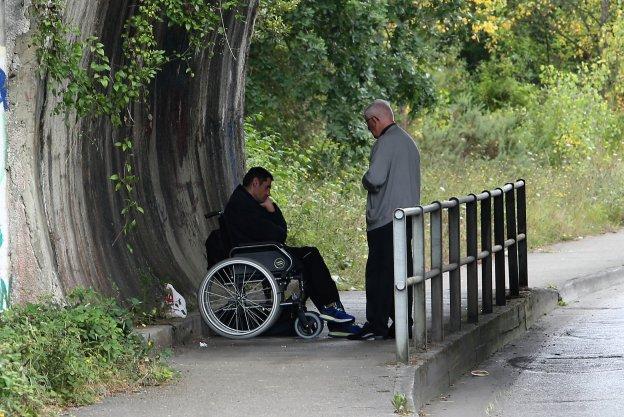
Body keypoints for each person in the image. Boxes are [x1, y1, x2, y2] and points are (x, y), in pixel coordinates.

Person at [223, 166, 361, 338]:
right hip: (260, 256)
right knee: (310, 257)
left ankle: (333, 313)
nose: (268, 193)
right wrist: (273, 211)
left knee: (310, 259)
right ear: (255, 183)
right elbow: (279, 234)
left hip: (262, 253)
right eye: (267, 187)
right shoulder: (243, 206)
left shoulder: (244, 203)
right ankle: (333, 311)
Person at [348, 99, 420, 340]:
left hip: (385, 219)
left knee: (378, 273)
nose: (370, 131)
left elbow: (375, 178)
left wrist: (364, 179)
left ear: (375, 120)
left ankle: (376, 323)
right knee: (401, 272)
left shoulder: (385, 143)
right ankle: (401, 322)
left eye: (369, 125)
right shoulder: (408, 142)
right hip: (407, 217)